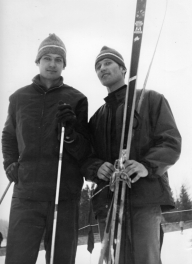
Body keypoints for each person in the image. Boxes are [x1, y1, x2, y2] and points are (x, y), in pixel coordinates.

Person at [83, 46, 181, 264]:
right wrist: (96, 167)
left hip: (144, 200)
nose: (102, 69)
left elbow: (171, 141)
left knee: (145, 259)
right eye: (98, 66)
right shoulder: (97, 118)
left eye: (107, 63)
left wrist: (146, 165)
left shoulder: (151, 100)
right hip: (108, 204)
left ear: (123, 68)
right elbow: (86, 158)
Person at [2, 33, 90, 264]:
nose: (52, 64)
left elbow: (84, 149)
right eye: (47, 58)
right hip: (27, 192)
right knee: (18, 258)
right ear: (38, 61)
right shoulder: (19, 98)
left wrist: (70, 132)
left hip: (64, 193)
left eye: (58, 60)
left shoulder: (77, 98)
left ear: (64, 65)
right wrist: (9, 162)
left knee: (61, 259)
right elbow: (8, 134)